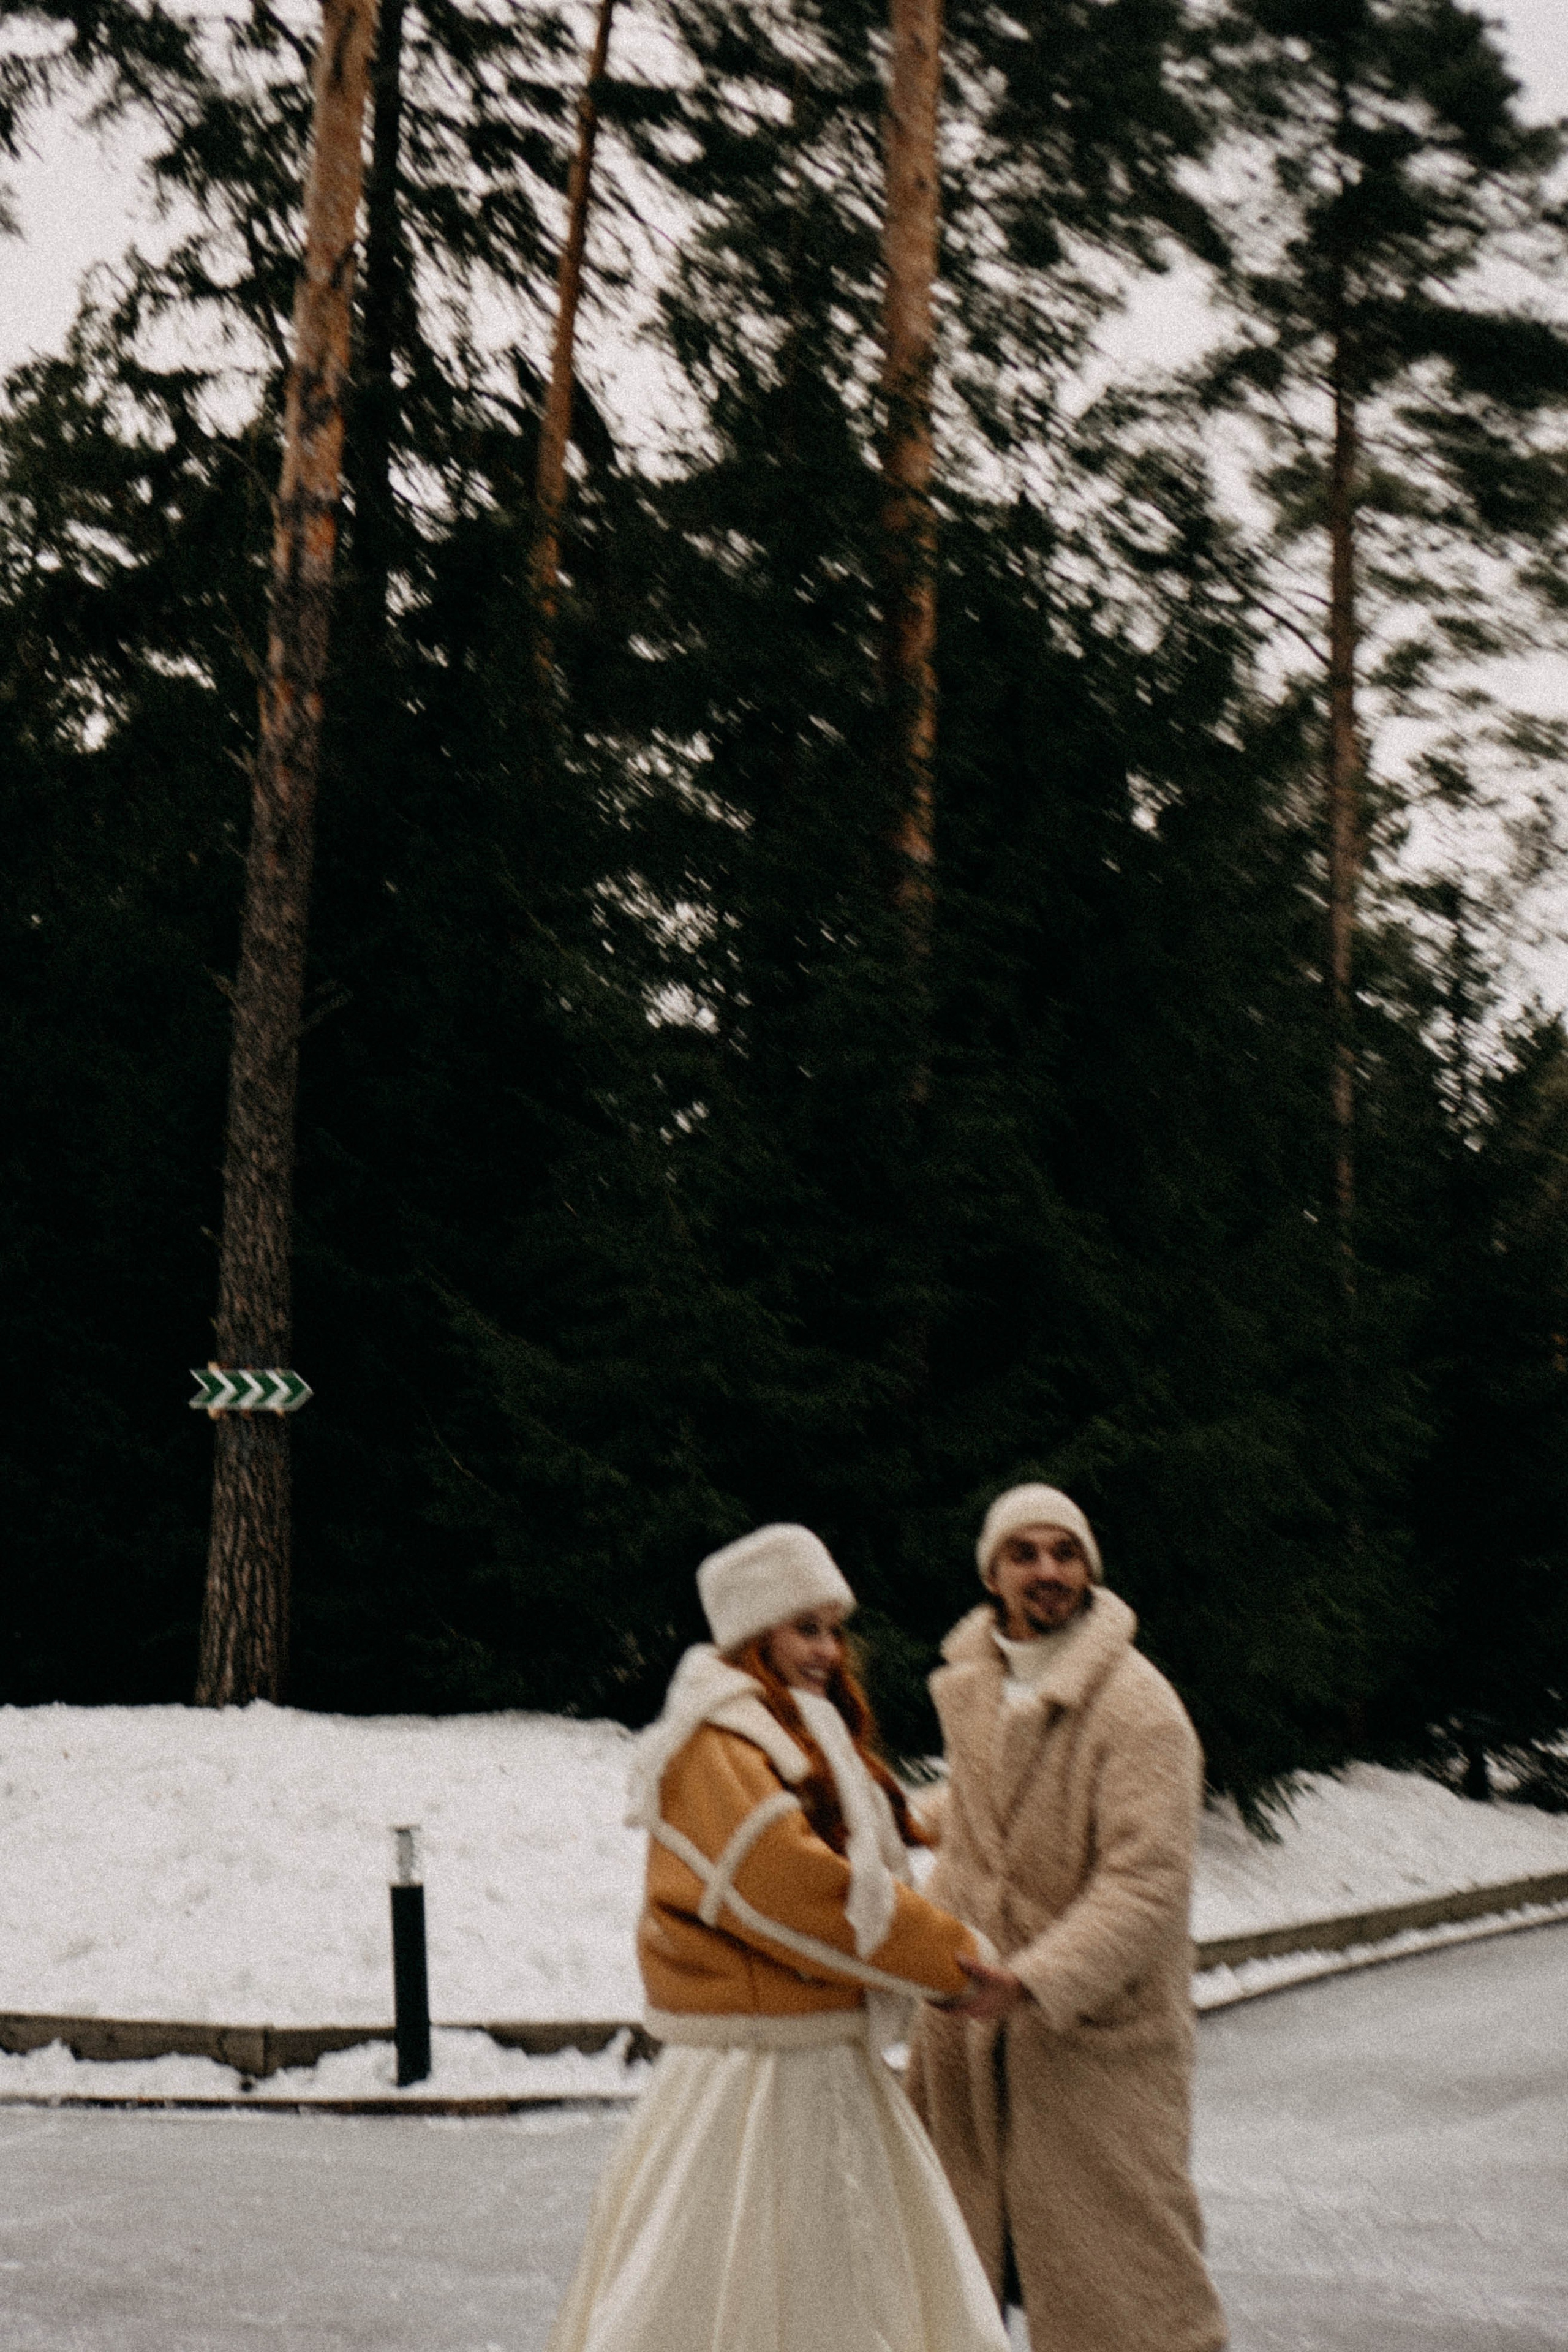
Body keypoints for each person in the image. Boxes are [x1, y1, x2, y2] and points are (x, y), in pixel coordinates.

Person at [547, 1523, 1009, 2352]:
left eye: (834, 1629)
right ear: (752, 1636)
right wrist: (953, 1961)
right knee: (786, 2288)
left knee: (848, 2285)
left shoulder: (791, 1730)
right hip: (759, 2075)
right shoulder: (718, 1741)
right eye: (805, 1628)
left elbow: (869, 1843)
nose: (828, 1651)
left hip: (818, 2057)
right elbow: (798, 1891)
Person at [907, 1483, 1228, 2352]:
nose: (1048, 1571)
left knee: (1124, 2287)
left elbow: (1148, 1884)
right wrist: (913, 1817)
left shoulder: (1139, 1707)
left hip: (1093, 2036)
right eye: (1025, 1553)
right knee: (953, 2271)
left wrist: (1034, 1981)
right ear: (993, 1574)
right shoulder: (979, 1683)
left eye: (1065, 1552)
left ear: (1089, 1568)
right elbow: (995, 1801)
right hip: (971, 2028)